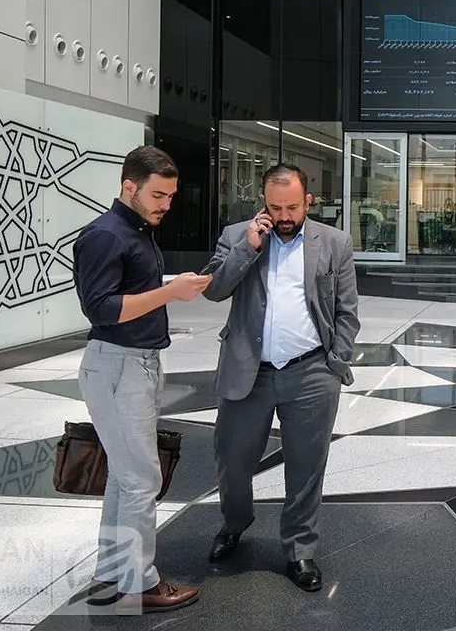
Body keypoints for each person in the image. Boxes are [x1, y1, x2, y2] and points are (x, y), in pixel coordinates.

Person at [202, 164, 360, 593]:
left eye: (292, 207)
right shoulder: (238, 235)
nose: (285, 216)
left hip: (310, 373)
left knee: (306, 467)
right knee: (232, 459)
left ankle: (299, 549)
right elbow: (213, 289)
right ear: (263, 203)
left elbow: (347, 311)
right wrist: (248, 248)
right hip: (248, 371)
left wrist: (335, 361)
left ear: (308, 201)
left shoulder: (335, 242)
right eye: (276, 208)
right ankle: (234, 524)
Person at [72, 145, 211, 614]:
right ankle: (139, 584)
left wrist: (171, 287)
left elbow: (130, 293)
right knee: (140, 480)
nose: (165, 205)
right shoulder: (105, 235)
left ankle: (112, 575)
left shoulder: (136, 230)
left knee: (125, 476)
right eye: (157, 195)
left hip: (137, 364)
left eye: (171, 196)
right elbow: (102, 309)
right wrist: (169, 292)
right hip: (118, 365)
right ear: (128, 186)